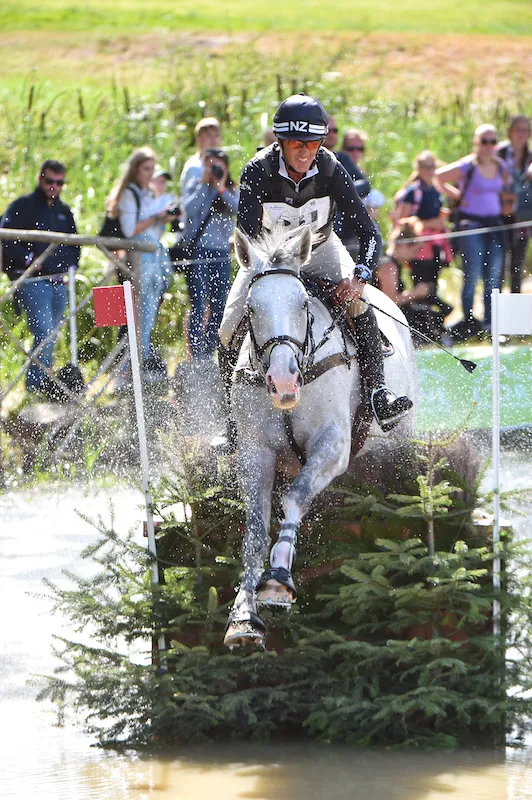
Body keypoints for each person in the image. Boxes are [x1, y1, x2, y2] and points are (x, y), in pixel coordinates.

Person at [213, 93, 412, 452]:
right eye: (295, 144)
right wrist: (282, 280)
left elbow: (369, 232)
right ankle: (231, 421)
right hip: (270, 258)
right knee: (228, 326)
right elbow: (247, 236)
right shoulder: (257, 171)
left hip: (321, 250)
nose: (304, 152)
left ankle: (378, 393)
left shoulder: (333, 168)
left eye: (312, 143)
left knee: (360, 305)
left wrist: (360, 277)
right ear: (280, 142)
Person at [1, 159, 80, 396]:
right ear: (40, 179)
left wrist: (72, 268)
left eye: (59, 182)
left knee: (52, 334)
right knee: (43, 332)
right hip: (32, 281)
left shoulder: (64, 212)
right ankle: (35, 386)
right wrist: (28, 261)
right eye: (49, 181)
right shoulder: (22, 206)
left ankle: (43, 382)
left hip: (59, 282)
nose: (53, 186)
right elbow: (6, 238)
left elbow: (75, 245)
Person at [105, 147, 177, 381]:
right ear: (136, 170)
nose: (150, 174)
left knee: (146, 315)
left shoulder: (147, 193)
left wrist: (164, 219)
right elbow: (129, 230)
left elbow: (152, 232)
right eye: (146, 169)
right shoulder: (129, 194)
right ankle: (127, 368)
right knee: (133, 316)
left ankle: (139, 364)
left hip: (150, 257)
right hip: (134, 261)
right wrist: (156, 217)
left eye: (152, 169)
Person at [435, 124, 508, 333]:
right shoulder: (468, 165)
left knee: (493, 276)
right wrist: (457, 196)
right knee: (473, 274)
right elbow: (438, 177)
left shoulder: (501, 166)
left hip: (494, 225)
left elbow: (506, 189)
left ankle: (490, 323)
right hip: (472, 225)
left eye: (492, 142)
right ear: (476, 143)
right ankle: (468, 321)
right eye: (484, 141)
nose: (488, 146)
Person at [181, 148, 239, 360]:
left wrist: (221, 188)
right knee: (198, 302)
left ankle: (209, 351)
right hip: (199, 252)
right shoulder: (196, 186)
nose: (213, 169)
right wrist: (205, 186)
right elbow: (189, 209)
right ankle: (196, 355)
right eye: (209, 165)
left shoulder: (231, 189)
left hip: (221, 253)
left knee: (219, 304)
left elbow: (238, 210)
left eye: (217, 165)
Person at [375, 221, 450, 342]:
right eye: (415, 251)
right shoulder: (388, 266)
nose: (415, 256)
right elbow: (390, 301)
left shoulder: (393, 264)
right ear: (404, 246)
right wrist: (415, 293)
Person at [393, 151, 453, 289]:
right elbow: (402, 221)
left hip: (435, 246)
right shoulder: (412, 192)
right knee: (421, 285)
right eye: (426, 167)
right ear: (418, 169)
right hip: (418, 248)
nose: (429, 170)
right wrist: (429, 223)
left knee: (433, 284)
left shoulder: (435, 190)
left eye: (432, 166)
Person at [497, 115, 532, 293]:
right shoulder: (499, 153)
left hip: (522, 217)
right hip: (499, 215)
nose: (521, 134)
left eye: (525, 130)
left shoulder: (530, 156)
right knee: (499, 264)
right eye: (518, 129)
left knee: (517, 265)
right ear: (510, 132)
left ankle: (516, 305)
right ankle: (494, 310)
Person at [179, 117, 222, 195]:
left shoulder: (221, 165)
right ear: (198, 139)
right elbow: (189, 203)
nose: (213, 140)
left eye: (216, 135)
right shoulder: (194, 167)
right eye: (208, 135)